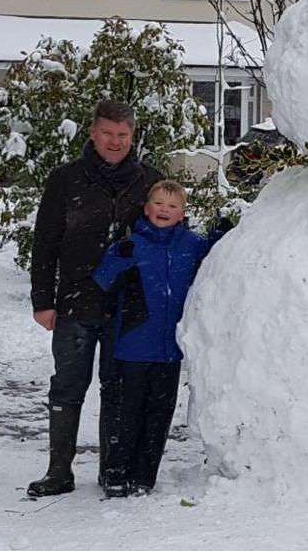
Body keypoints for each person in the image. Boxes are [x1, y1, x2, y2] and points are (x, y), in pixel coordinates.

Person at [26, 100, 163, 498]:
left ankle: (113, 470)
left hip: (128, 308)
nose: (115, 142)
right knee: (67, 386)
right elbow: (45, 243)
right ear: (92, 133)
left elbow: (163, 238)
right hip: (75, 303)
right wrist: (42, 301)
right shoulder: (65, 180)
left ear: (132, 136)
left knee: (117, 388)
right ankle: (58, 471)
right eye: (108, 133)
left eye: (123, 135)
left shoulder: (149, 181)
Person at [92, 181, 229, 497]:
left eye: (172, 206)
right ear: (146, 208)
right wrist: (118, 257)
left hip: (170, 350)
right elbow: (103, 280)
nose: (164, 210)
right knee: (127, 413)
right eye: (158, 203)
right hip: (133, 347)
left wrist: (222, 236)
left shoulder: (191, 244)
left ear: (182, 213)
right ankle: (115, 472)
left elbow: (215, 259)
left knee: (158, 415)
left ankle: (144, 476)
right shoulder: (132, 245)